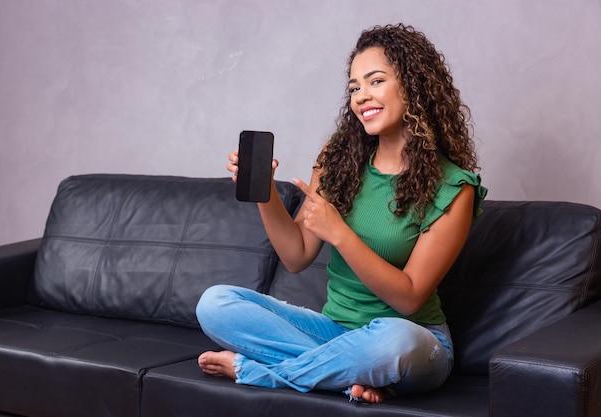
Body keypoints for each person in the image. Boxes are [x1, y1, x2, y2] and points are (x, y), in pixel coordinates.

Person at [196, 23, 487, 403]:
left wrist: (341, 234)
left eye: (376, 81)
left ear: (413, 86)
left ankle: (263, 373)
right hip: (334, 332)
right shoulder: (339, 159)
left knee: (393, 343)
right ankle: (350, 373)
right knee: (215, 304)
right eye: (354, 87)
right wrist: (266, 192)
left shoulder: (454, 187)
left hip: (413, 339)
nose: (361, 96)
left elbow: (410, 298)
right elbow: (296, 255)